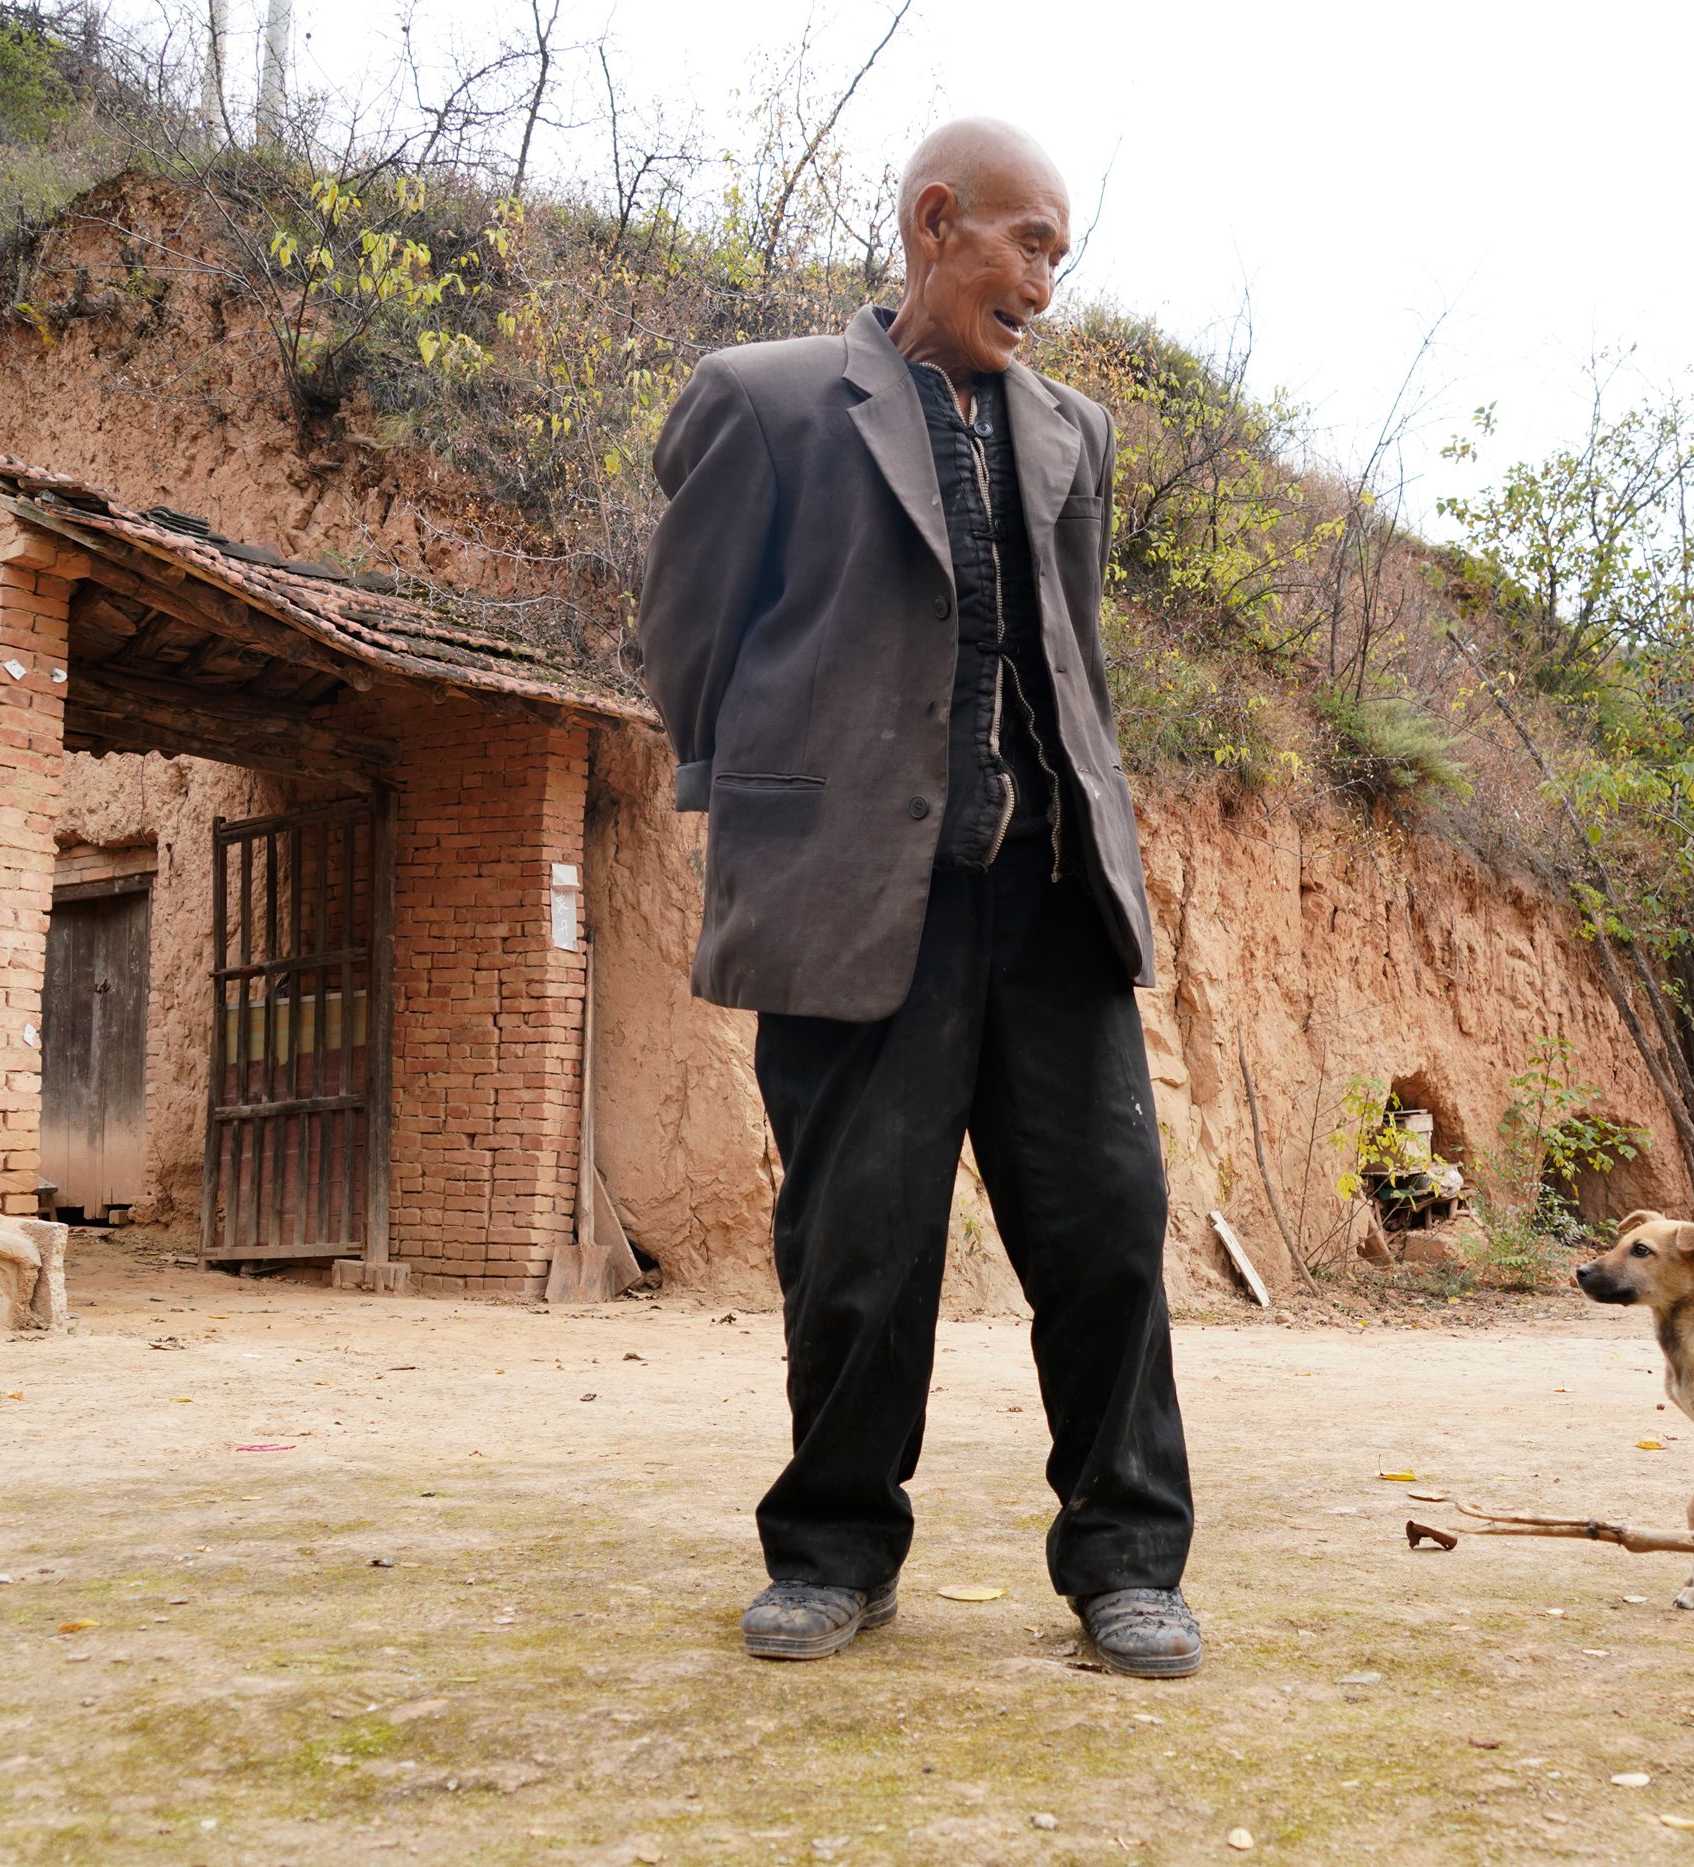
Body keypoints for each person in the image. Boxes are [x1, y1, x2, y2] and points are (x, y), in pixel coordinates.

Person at [635, 119, 1200, 1678]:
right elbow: (690, 645)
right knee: (857, 1249)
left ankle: (1126, 1562)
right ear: (936, 222)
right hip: (854, 899)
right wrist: (772, 800)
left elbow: (1066, 661)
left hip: (1050, 900)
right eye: (1028, 243)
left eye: (1062, 258)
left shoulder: (1072, 430)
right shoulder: (766, 403)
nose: (1044, 283)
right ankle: (831, 1554)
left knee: (1108, 1235)